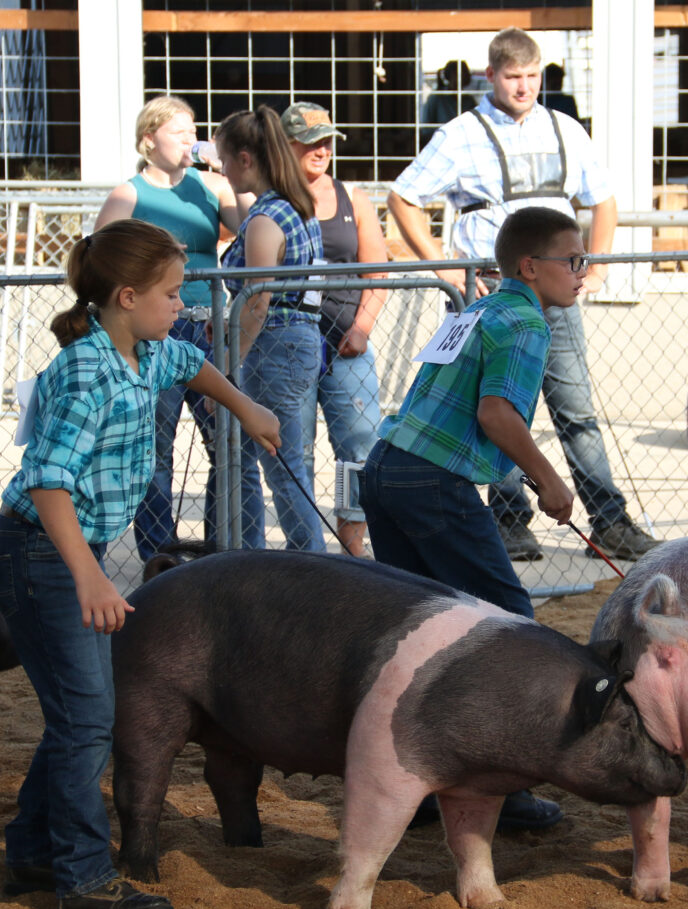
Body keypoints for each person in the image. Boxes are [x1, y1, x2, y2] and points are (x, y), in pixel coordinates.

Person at [0, 219, 280, 909]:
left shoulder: (145, 351)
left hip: (63, 553)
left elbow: (189, 364)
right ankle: (82, 874)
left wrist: (244, 404)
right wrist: (90, 576)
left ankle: (33, 850)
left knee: (80, 714)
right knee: (87, 718)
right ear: (126, 295)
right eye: (173, 294)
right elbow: (48, 482)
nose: (182, 306)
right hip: (44, 553)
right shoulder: (89, 370)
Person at [388, 27, 659, 564]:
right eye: (513, 77)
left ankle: (609, 518)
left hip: (552, 292)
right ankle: (509, 520)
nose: (524, 86)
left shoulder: (566, 129)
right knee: (500, 408)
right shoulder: (460, 133)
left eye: (533, 76)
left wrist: (593, 269)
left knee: (575, 409)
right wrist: (445, 269)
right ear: (490, 76)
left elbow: (602, 200)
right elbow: (404, 197)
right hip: (485, 295)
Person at [359, 206, 588, 832]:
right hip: (433, 480)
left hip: (389, 468)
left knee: (422, 628)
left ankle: (418, 782)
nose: (582, 272)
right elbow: (496, 416)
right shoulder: (523, 323)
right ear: (529, 267)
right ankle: (502, 788)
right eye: (572, 261)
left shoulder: (478, 308)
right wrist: (549, 480)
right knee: (508, 625)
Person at [94, 95, 252, 559]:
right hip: (153, 332)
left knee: (224, 439)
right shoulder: (130, 192)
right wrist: (149, 252)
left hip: (209, 326)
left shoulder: (210, 186)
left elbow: (252, 223)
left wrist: (228, 174)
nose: (190, 139)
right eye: (178, 132)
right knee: (155, 444)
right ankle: (157, 553)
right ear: (149, 140)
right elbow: (99, 252)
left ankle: (219, 548)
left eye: (193, 130)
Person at [214, 106, 327, 552]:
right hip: (295, 341)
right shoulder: (294, 205)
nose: (222, 171)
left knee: (280, 463)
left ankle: (311, 561)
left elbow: (256, 300)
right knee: (276, 458)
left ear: (246, 159)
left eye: (225, 160)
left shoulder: (266, 218)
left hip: (272, 346)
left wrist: (228, 362)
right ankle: (257, 556)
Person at [280, 102, 387, 557]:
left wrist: (361, 328)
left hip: (345, 343)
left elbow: (377, 272)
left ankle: (352, 548)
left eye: (327, 141)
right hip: (286, 346)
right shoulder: (272, 201)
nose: (322, 150)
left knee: (358, 448)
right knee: (293, 451)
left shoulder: (352, 197)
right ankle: (305, 548)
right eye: (311, 142)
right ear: (287, 146)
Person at [421, 60, 475, 145]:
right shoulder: (436, 98)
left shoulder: (469, 101)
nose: (459, 79)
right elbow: (425, 129)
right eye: (456, 75)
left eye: (463, 75)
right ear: (449, 76)